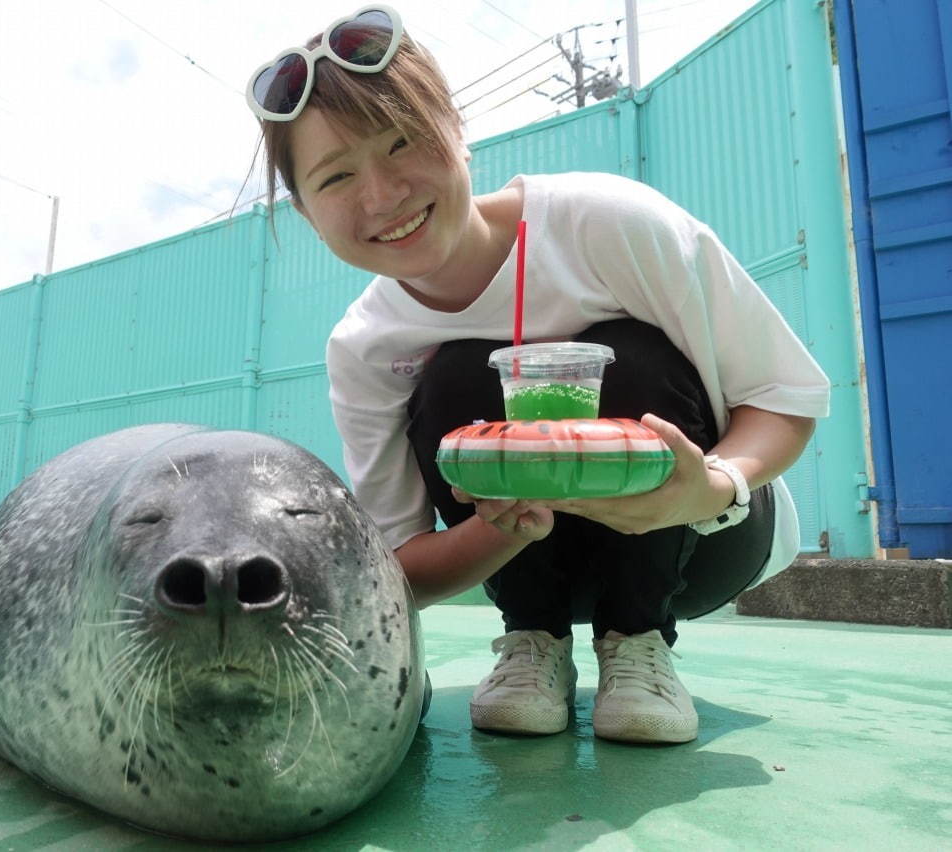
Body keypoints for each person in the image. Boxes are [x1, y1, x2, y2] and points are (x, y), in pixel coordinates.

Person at [245, 5, 829, 744]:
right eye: (335, 177)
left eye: (402, 142)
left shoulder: (608, 224)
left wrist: (709, 485)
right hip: (528, 557)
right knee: (456, 375)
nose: (382, 195)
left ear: (455, 129)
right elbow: (403, 570)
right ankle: (533, 641)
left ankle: (638, 642)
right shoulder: (365, 345)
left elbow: (784, 394)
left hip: (703, 539)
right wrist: (499, 527)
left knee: (628, 349)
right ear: (304, 212)